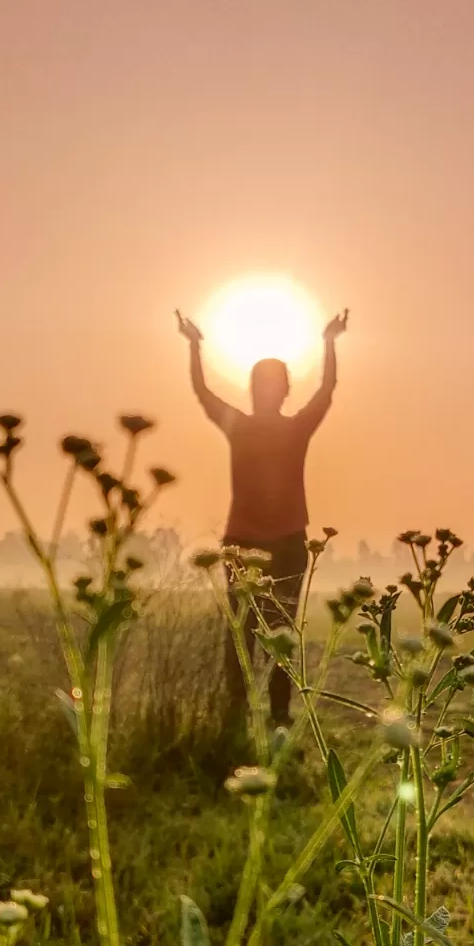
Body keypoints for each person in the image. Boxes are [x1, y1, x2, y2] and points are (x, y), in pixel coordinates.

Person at [176, 306, 348, 725]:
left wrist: (329, 343)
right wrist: (194, 345)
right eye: (261, 383)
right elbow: (202, 390)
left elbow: (326, 389)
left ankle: (273, 716)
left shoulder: (269, 426)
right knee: (245, 632)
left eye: (270, 384)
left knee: (269, 633)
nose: (266, 390)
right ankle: (250, 717)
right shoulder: (265, 426)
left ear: (280, 391)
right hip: (258, 542)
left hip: (279, 542)